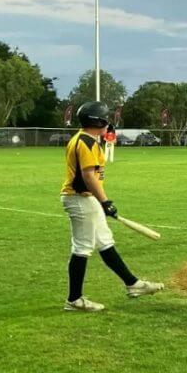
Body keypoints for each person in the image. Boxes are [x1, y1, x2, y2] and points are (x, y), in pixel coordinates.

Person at [60, 102, 165, 312]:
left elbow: (91, 178)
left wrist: (100, 202)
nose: (109, 122)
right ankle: (74, 299)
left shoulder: (86, 140)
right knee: (82, 247)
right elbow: (89, 176)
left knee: (105, 241)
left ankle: (132, 284)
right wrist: (105, 201)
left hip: (87, 198)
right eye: (105, 119)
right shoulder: (86, 142)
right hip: (79, 198)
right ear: (97, 121)